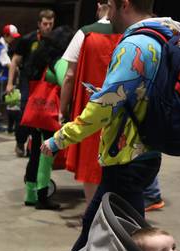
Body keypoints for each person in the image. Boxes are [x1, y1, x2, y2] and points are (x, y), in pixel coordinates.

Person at [38, 0, 180, 251]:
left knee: (129, 232)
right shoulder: (168, 38)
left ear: (124, 4)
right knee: (104, 220)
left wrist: (60, 138)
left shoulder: (135, 46)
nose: (107, 14)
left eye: (110, 6)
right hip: (147, 150)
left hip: (126, 154)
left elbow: (102, 108)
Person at [60, 1, 119, 207]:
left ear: (99, 5)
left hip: (92, 109)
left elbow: (68, 76)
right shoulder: (133, 33)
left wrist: (62, 109)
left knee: (91, 161)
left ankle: (94, 214)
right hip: (124, 111)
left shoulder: (85, 33)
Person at [23, 25, 75, 210]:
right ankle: (42, 196)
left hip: (35, 113)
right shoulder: (59, 62)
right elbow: (66, 81)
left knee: (35, 154)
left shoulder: (39, 59)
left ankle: (30, 194)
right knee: (46, 154)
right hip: (49, 115)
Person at [7, 9, 55, 157]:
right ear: (39, 24)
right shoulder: (28, 39)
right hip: (28, 81)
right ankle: (20, 141)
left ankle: (37, 144)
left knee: (43, 114)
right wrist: (10, 83)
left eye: (50, 24)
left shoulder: (56, 40)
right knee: (25, 112)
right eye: (45, 24)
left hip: (46, 83)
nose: (48, 27)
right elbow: (15, 61)